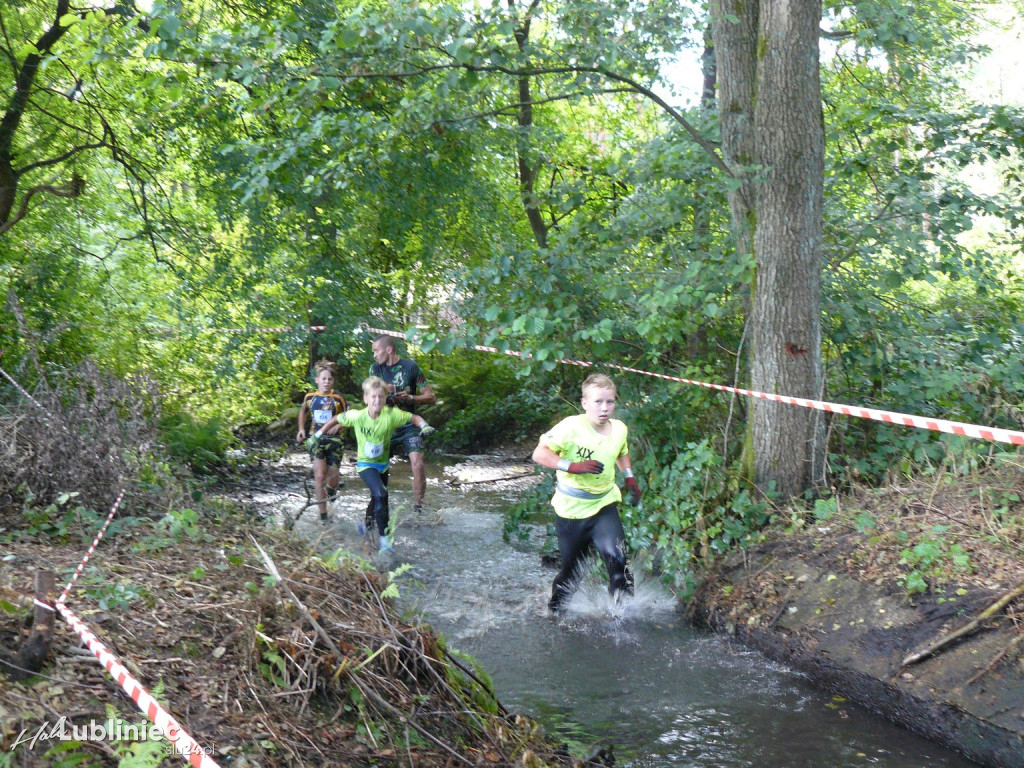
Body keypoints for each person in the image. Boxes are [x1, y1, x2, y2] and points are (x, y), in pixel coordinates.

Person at [531, 373, 642, 612]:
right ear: (584, 404)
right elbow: (539, 454)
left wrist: (629, 476)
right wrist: (573, 467)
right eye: (598, 402)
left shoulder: (619, 429)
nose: (605, 408)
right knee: (571, 574)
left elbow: (621, 451)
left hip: (604, 504)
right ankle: (554, 614)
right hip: (571, 510)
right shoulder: (570, 427)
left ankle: (622, 622)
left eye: (610, 402)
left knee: (618, 563)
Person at [318, 376, 435, 553]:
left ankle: (365, 526)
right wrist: (317, 435)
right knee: (381, 493)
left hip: (383, 465)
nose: (376, 400)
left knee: (377, 498)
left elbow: (414, 418)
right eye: (373, 397)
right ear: (366, 398)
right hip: (365, 465)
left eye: (380, 397)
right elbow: (335, 419)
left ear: (385, 399)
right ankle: (384, 540)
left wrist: (424, 425)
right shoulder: (357, 416)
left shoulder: (392, 415)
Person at [369, 334, 436, 515]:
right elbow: (369, 397)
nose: (374, 355)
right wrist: (383, 390)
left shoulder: (411, 367)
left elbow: (431, 396)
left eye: (376, 350)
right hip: (384, 425)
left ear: (388, 350)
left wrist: (411, 397)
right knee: (377, 469)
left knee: (418, 463)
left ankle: (418, 509)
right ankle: (378, 507)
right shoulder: (375, 369)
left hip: (408, 423)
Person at [296, 359, 348, 522]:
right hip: (315, 439)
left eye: (329, 379)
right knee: (319, 476)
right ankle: (323, 515)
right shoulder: (310, 397)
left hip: (335, 440)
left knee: (333, 478)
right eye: (323, 379)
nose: (326, 382)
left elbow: (348, 418)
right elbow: (303, 411)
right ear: (317, 380)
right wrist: (301, 429)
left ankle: (331, 491)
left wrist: (339, 426)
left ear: (333, 381)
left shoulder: (338, 398)